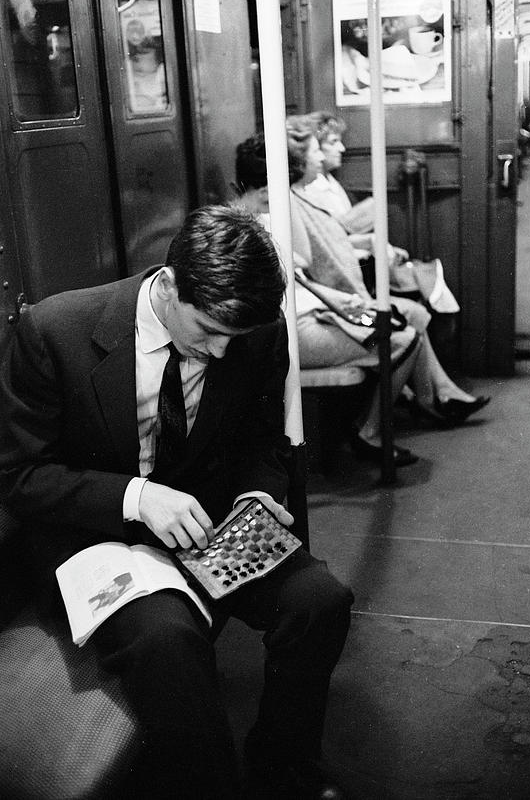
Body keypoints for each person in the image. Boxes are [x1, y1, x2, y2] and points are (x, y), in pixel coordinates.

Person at [0, 205, 353, 800]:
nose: (219, 352)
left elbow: (261, 441)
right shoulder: (53, 331)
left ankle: (282, 762)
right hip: (98, 531)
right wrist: (137, 498)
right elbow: (17, 475)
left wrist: (257, 497)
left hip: (209, 518)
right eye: (207, 331)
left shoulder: (254, 332)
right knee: (167, 637)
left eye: (232, 338)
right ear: (167, 286)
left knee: (319, 601)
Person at [234, 129, 489, 467]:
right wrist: (335, 300)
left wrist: (339, 301)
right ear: (267, 189)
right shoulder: (250, 225)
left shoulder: (259, 215)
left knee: (399, 328)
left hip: (303, 314)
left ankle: (424, 402)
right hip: (284, 331)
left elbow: (293, 278)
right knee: (399, 341)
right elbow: (293, 274)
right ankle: (371, 431)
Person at [303, 110, 460, 315]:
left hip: (356, 258)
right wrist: (371, 245)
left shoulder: (331, 183)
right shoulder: (310, 191)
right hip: (345, 272)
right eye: (333, 142)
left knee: (418, 277)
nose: (341, 148)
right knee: (418, 291)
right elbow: (328, 244)